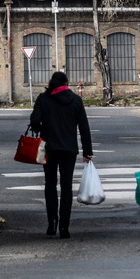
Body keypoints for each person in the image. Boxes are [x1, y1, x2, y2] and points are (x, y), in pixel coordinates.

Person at [28, 71, 93, 239]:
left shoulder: (44, 99)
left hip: (49, 148)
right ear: (66, 83)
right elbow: (84, 127)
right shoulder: (75, 101)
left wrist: (40, 128)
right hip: (69, 150)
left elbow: (34, 121)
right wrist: (88, 151)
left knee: (50, 184)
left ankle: (52, 223)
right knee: (66, 187)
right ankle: (64, 226)